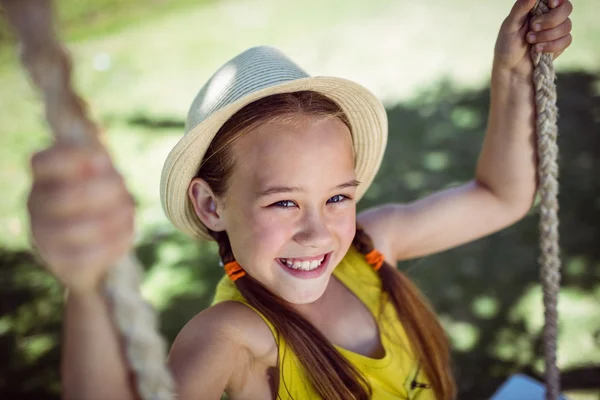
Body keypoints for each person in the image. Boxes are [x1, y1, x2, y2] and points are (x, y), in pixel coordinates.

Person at [26, 0, 573, 399]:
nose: (317, 233)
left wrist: (511, 72)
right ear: (211, 205)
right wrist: (88, 286)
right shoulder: (235, 337)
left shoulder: (369, 251)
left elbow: (500, 196)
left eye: (337, 196)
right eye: (283, 203)